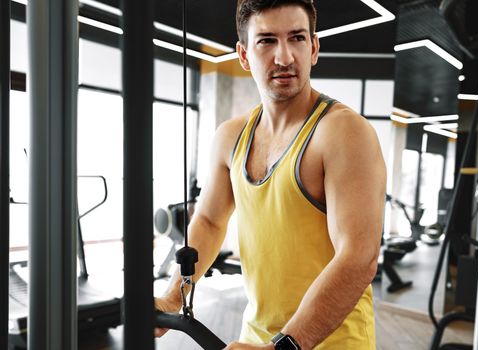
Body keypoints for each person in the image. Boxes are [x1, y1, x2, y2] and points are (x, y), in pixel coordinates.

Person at [155, 0, 386, 349]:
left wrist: (284, 346)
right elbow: (210, 221)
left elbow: (358, 258)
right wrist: (173, 296)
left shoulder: (343, 132)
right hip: (258, 338)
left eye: (296, 38)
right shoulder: (230, 137)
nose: (284, 57)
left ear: (314, 48)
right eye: (266, 40)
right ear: (244, 55)